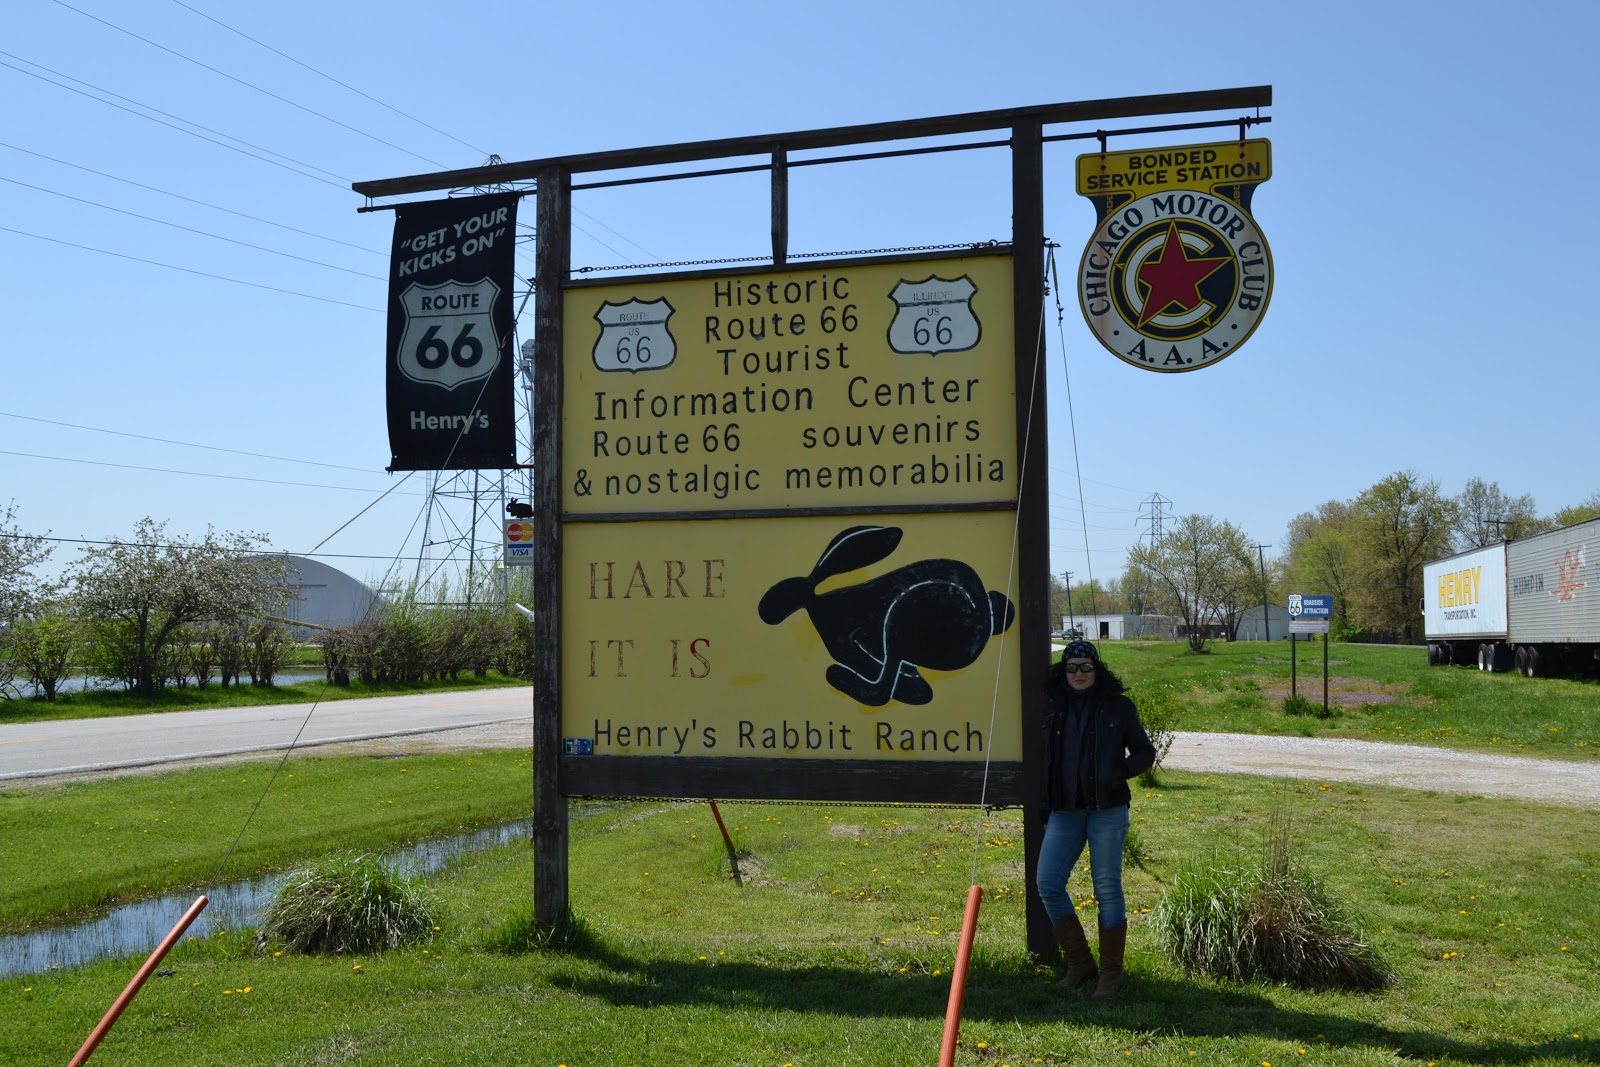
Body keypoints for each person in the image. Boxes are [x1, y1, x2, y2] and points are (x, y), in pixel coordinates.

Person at [1035, 640, 1155, 998]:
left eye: (1086, 667)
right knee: (1048, 883)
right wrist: (1044, 809)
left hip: (1108, 810)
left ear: (1097, 670)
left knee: (1106, 889)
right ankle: (1079, 963)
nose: (1079, 674)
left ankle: (1111, 974)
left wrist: (1117, 773)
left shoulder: (1118, 707)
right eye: (1072, 667)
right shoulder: (1052, 707)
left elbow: (1145, 752)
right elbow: (1045, 763)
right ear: (1064, 671)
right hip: (1064, 811)